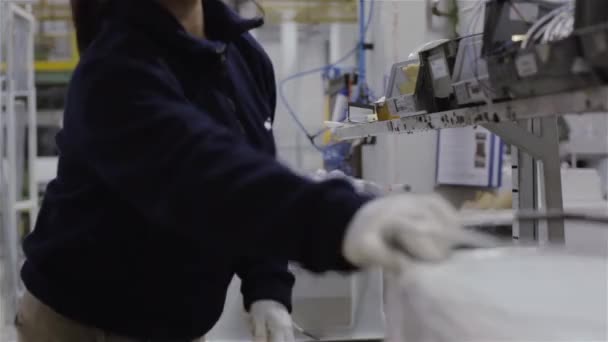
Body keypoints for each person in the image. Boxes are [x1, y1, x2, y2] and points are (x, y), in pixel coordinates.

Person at [16, 0, 488, 341]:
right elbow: (205, 177)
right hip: (82, 322)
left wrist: (267, 288)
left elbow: (251, 171)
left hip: (172, 322)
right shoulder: (114, 69)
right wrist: (346, 219)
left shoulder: (241, 55)